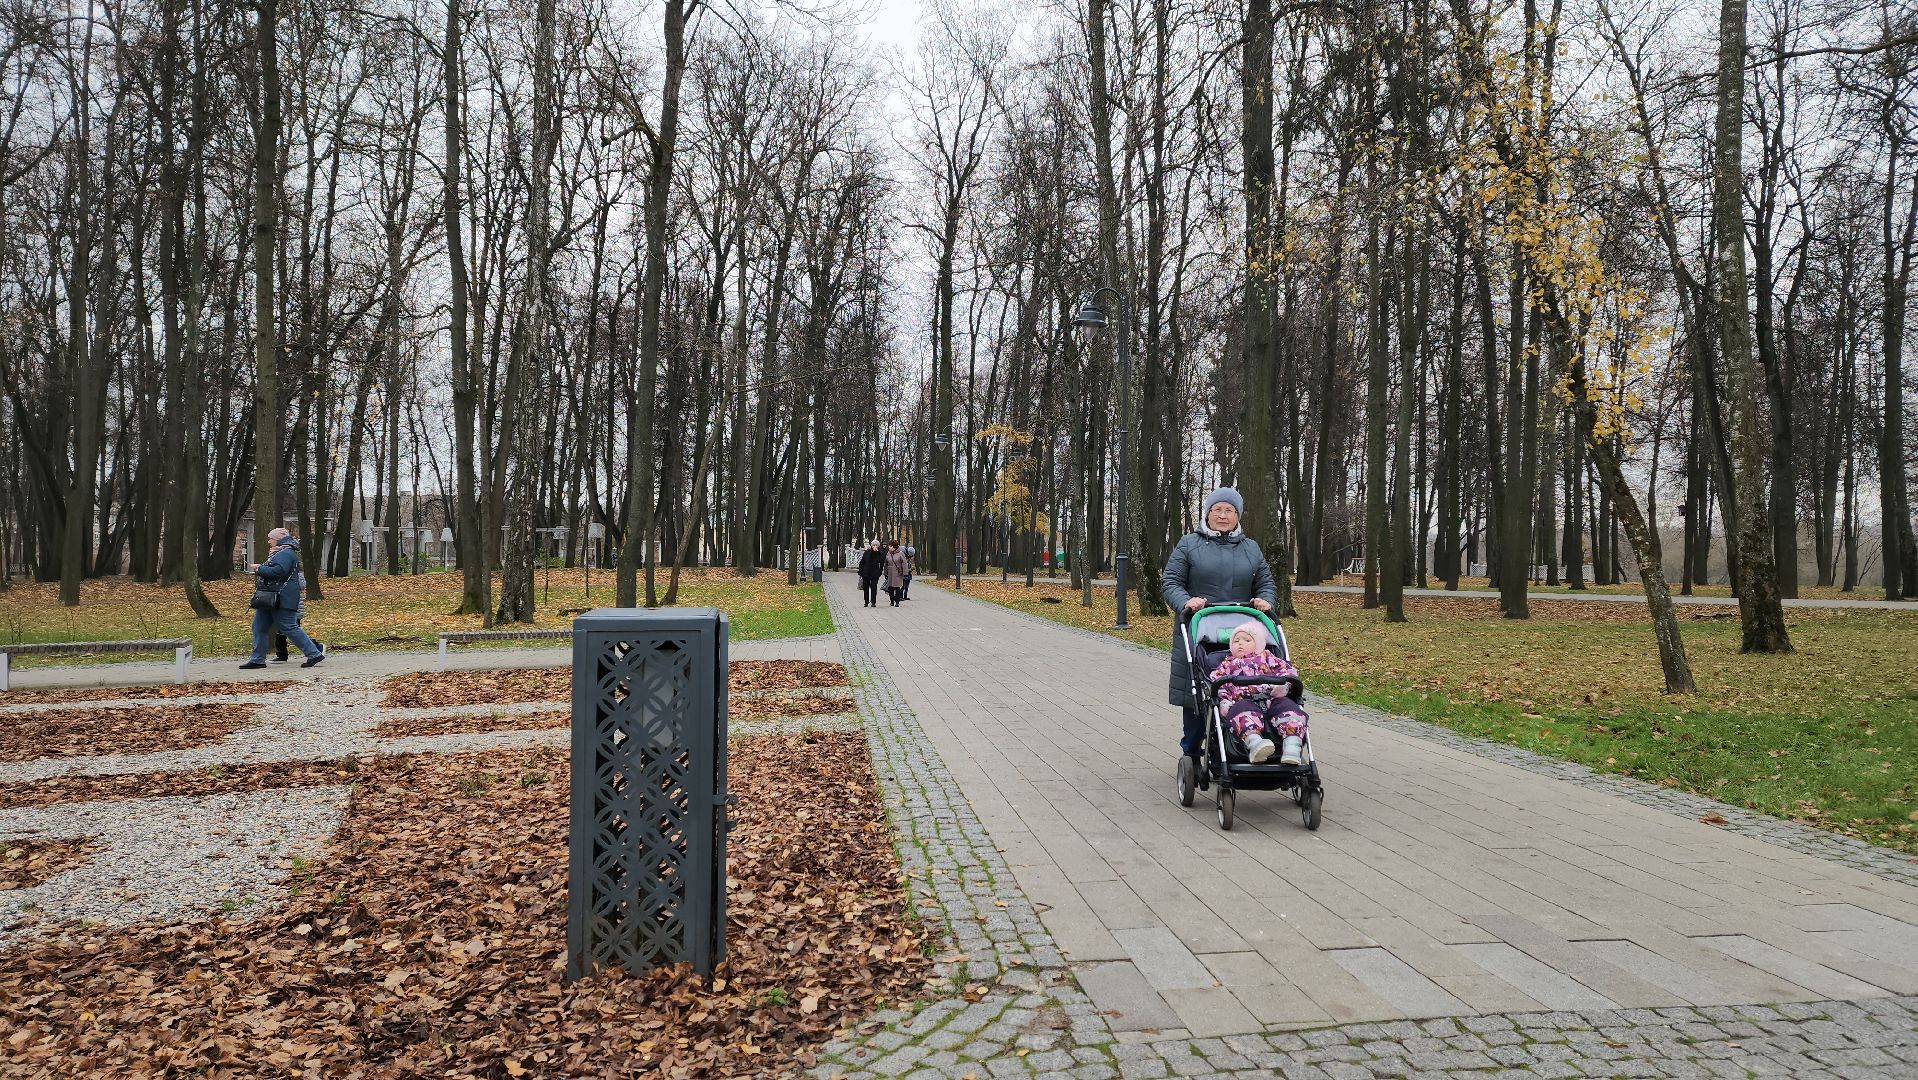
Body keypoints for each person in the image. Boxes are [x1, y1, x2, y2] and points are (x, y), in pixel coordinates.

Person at [1161, 486, 1277, 761]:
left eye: (1229, 510)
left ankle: (1243, 743)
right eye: (1217, 510)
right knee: (1198, 693)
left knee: (1249, 685)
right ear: (1208, 514)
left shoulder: (1251, 548)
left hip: (1244, 633)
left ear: (1238, 516)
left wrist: (1264, 600)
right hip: (1201, 630)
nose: (1223, 516)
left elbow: (1265, 583)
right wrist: (1186, 602)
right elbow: (1171, 581)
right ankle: (1191, 748)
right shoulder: (1189, 544)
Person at [1208, 620, 1306, 764]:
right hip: (1243, 700)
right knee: (1241, 713)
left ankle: (1292, 746)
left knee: (1290, 709)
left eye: (1247, 640)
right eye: (1236, 641)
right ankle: (1255, 744)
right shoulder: (1228, 664)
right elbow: (1219, 683)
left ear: (1259, 644)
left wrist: (1284, 686)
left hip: (1272, 697)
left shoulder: (1269, 658)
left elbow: (1288, 672)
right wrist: (1225, 700)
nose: (1240, 643)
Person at [240, 528, 325, 670]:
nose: (268, 541)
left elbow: (279, 571)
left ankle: (314, 653)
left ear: (279, 539)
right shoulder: (281, 552)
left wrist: (259, 569)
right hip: (271, 598)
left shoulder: (285, 553)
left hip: (281, 598)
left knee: (289, 627)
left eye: (271, 538)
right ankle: (257, 659)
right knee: (259, 627)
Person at [857, 541, 886, 608]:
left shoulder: (880, 553)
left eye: (876, 545)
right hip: (866, 573)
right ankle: (866, 601)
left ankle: (873, 601)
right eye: (873, 545)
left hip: (875, 574)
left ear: (878, 546)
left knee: (874, 587)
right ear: (871, 545)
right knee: (866, 588)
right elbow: (862, 562)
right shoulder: (867, 552)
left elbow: (881, 561)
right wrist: (860, 572)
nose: (874, 546)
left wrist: (879, 572)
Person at [883, 541, 910, 607]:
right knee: (890, 588)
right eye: (889, 546)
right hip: (890, 572)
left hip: (898, 573)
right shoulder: (888, 553)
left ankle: (897, 602)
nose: (889, 547)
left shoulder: (900, 554)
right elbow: (886, 564)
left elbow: (904, 563)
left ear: (894, 547)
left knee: (897, 587)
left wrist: (905, 573)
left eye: (890, 546)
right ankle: (892, 601)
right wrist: (885, 572)